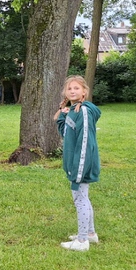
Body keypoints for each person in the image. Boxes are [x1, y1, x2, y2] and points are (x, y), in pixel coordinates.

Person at [54, 76, 101, 251]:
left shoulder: (85, 111)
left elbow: (85, 142)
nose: (72, 91)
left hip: (82, 163)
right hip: (75, 163)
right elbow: (67, 134)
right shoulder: (74, 110)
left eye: (76, 88)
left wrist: (79, 169)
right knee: (83, 198)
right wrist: (63, 114)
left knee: (80, 200)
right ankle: (90, 234)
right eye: (69, 89)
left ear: (84, 92)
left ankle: (82, 241)